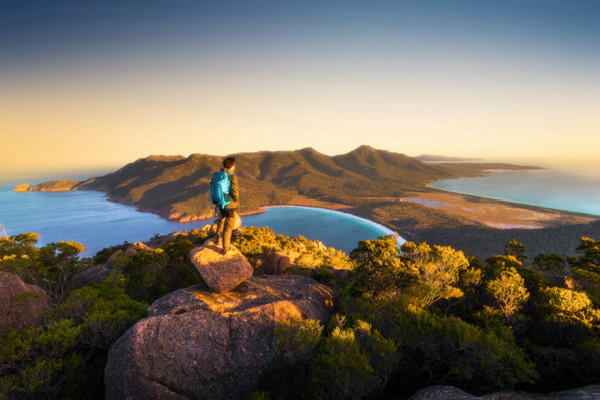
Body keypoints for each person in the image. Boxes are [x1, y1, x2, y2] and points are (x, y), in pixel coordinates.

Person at [215, 157, 239, 254]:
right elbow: (234, 190)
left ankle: (217, 238)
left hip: (221, 202)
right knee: (228, 226)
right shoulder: (232, 176)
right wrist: (236, 200)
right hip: (230, 204)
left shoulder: (220, 174)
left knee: (221, 218)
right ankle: (226, 248)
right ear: (232, 165)